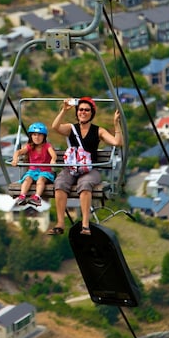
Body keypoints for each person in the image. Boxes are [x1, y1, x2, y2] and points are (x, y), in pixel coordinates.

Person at [48, 97, 122, 236]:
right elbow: (55, 127)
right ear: (77, 112)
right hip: (72, 167)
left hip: (89, 169)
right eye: (81, 109)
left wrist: (116, 124)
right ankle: (60, 223)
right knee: (60, 183)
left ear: (92, 113)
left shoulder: (98, 131)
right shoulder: (71, 128)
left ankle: (85, 224)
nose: (83, 112)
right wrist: (64, 110)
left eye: (87, 110)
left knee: (85, 184)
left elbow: (117, 142)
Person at [10, 122, 57, 207]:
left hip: (45, 171)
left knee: (41, 180)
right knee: (27, 179)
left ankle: (37, 197)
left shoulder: (47, 146)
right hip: (33, 171)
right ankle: (22, 196)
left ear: (44, 136)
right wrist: (15, 158)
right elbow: (18, 152)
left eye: (39, 135)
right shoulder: (29, 146)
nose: (37, 137)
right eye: (34, 135)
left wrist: (53, 160)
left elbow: (53, 154)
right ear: (31, 136)